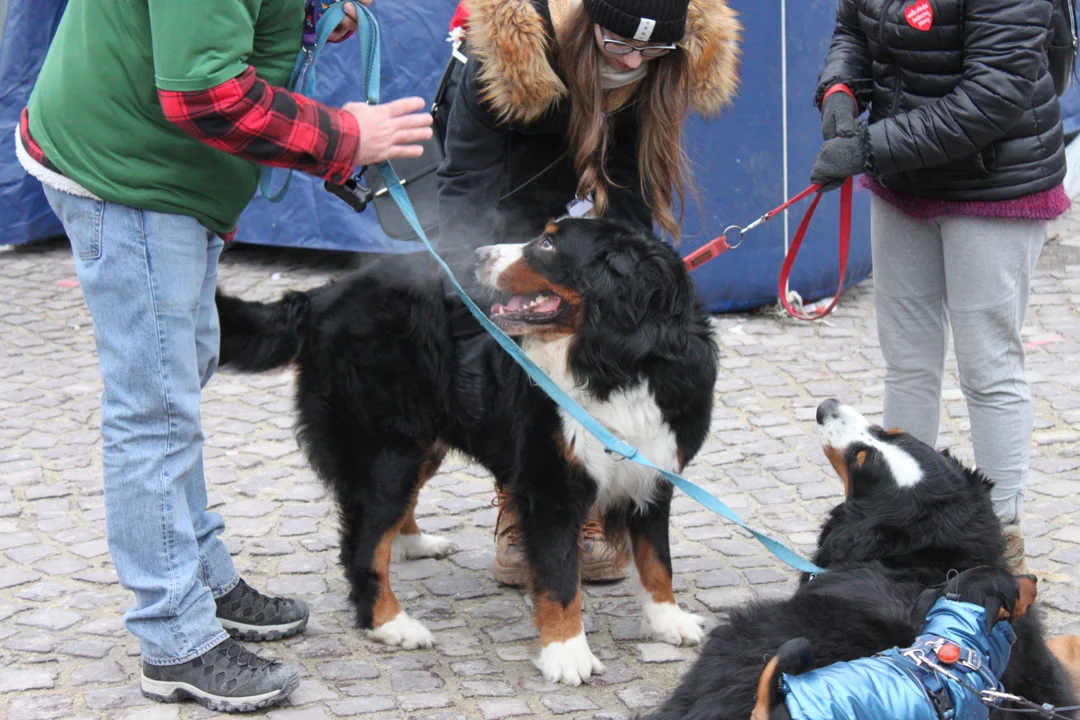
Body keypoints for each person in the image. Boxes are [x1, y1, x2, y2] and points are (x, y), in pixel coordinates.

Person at [15, 0, 432, 712]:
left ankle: (200, 578)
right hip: (128, 175)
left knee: (178, 383)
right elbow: (205, 94)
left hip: (164, 174)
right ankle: (175, 640)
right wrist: (343, 137)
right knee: (154, 411)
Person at [435, 0, 741, 586]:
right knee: (513, 343)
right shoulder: (504, 54)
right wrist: (469, 286)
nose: (631, 61)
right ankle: (519, 499)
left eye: (648, 53)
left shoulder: (669, 58)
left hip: (599, 196)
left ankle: (594, 498)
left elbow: (630, 198)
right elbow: (466, 182)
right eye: (618, 45)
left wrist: (627, 288)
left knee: (599, 339)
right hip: (507, 192)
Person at [809, 0, 1069, 574]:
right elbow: (852, 28)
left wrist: (871, 147)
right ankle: (894, 515)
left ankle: (1000, 531)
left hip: (995, 180)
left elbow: (993, 96)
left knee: (989, 364)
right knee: (906, 360)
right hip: (904, 177)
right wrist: (841, 95)